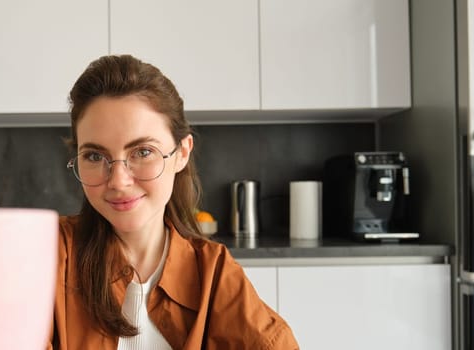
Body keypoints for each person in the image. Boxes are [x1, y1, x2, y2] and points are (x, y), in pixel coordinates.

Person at [48, 55, 298, 349]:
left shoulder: (212, 272)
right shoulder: (48, 253)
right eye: (94, 156)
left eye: (142, 152)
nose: (118, 181)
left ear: (181, 152)